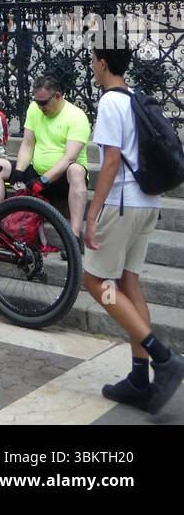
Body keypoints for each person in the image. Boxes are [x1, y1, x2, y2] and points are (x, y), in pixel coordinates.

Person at [83, 45, 184, 413]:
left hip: (121, 204)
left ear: (103, 63)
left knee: (96, 283)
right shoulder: (136, 96)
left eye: (93, 62)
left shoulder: (110, 102)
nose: (92, 68)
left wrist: (92, 213)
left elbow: (110, 163)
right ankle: (140, 378)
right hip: (147, 203)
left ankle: (161, 356)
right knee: (128, 283)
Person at [12, 74, 90, 246]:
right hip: (37, 174)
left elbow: (70, 157)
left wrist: (44, 180)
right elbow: (27, 144)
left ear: (57, 96)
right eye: (37, 102)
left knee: (76, 171)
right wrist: (19, 169)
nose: (39, 107)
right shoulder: (34, 108)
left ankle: (74, 237)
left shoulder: (77, 116)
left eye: (43, 103)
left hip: (62, 178)